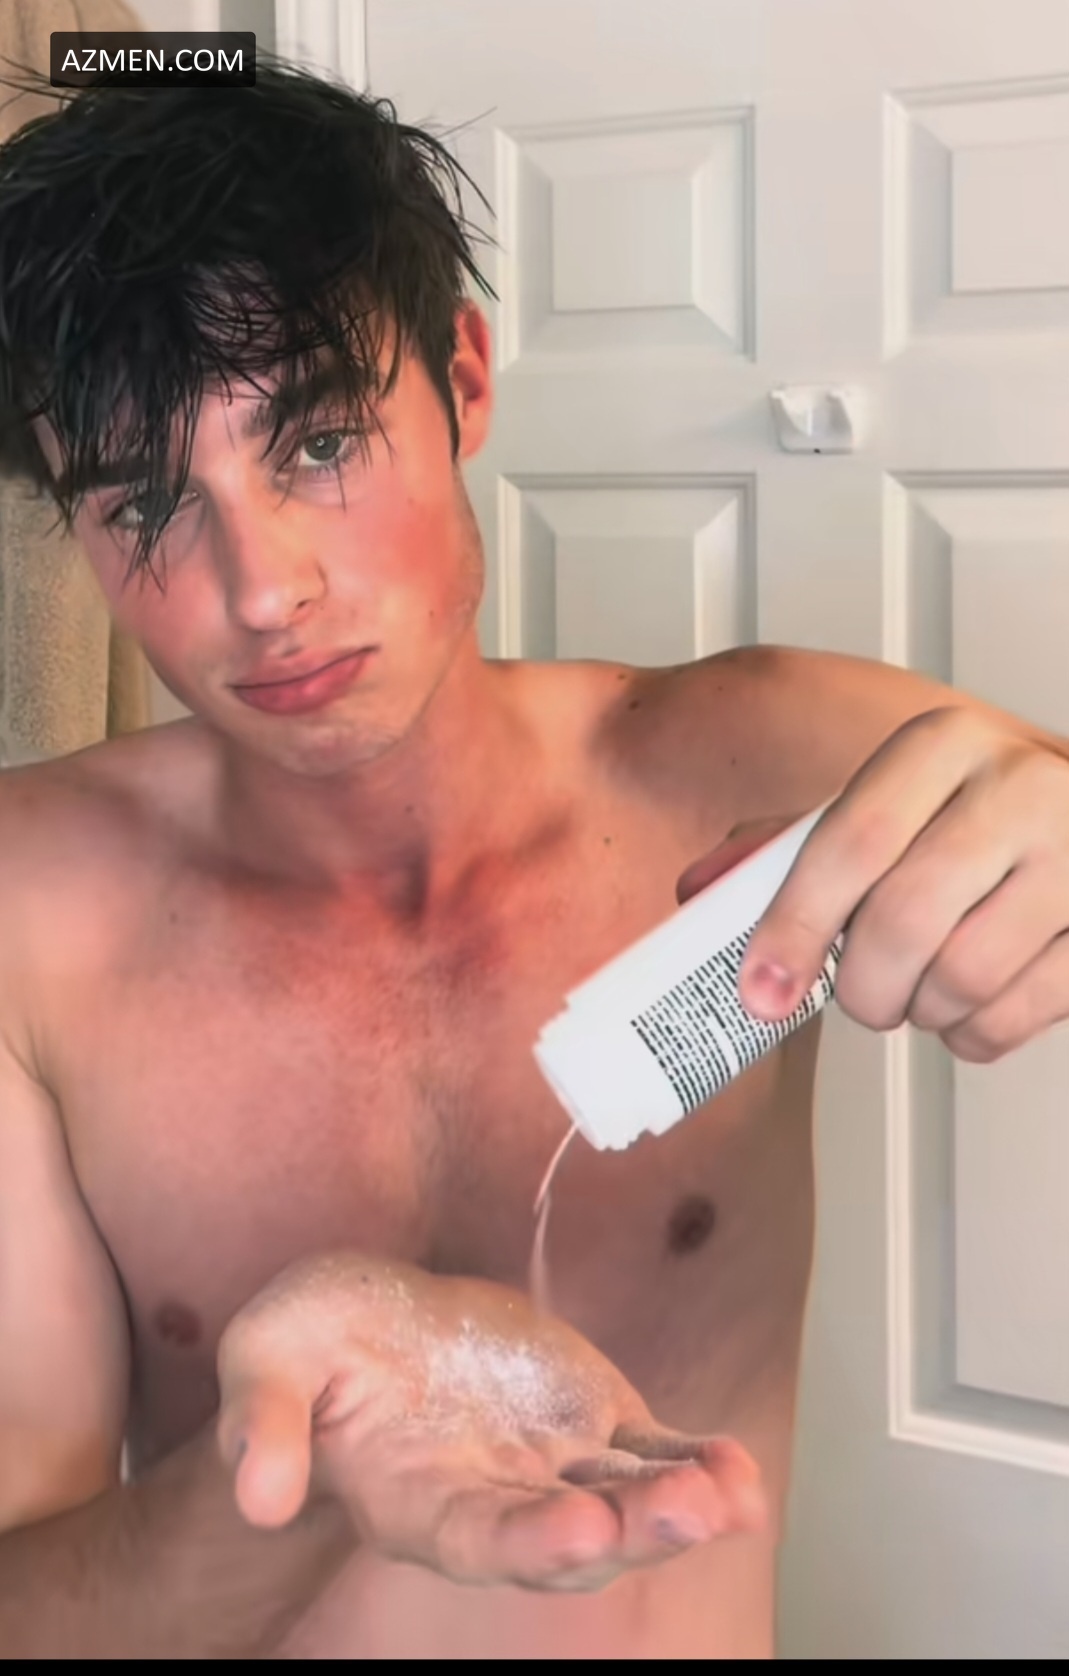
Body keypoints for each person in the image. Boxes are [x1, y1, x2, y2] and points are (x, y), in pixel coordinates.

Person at [0, 60, 1066, 1662]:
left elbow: (1029, 803)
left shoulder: (748, 758)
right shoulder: (31, 916)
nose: (263, 591)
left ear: (464, 376)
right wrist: (291, 1475)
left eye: (317, 441)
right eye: (144, 506)